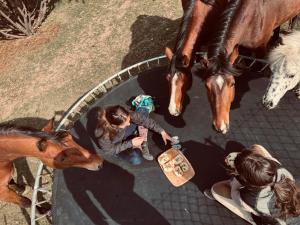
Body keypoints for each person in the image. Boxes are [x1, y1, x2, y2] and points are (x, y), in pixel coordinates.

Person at [210, 144, 300, 225]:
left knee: (215, 189)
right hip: (292, 209)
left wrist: (236, 178)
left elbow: (234, 192)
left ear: (244, 179)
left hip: (276, 221)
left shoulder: (249, 198)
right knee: (256, 148)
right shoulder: (280, 169)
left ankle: (252, 220)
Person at [95, 104, 173, 165]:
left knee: (143, 111)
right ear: (114, 125)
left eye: (129, 120)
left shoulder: (123, 114)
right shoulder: (103, 134)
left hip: (124, 132)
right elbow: (109, 150)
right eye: (126, 123)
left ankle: (141, 140)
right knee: (136, 160)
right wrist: (130, 143)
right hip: (117, 144)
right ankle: (137, 144)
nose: (129, 124)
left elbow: (143, 120)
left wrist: (162, 131)